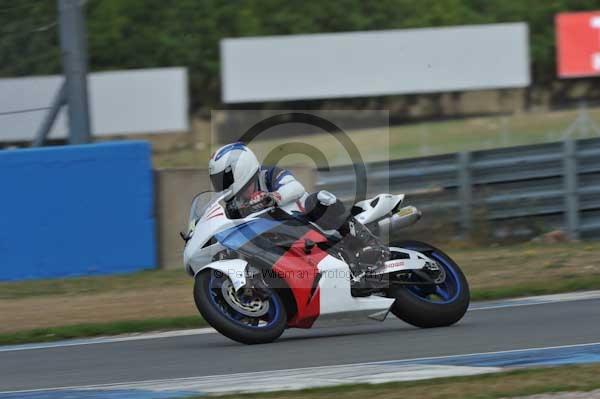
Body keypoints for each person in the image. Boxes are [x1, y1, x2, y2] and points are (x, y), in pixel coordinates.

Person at [208, 142, 389, 273]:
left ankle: (369, 242)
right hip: (285, 243)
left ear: (239, 168)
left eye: (222, 179)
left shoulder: (268, 175)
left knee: (319, 198)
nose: (221, 185)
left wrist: (273, 197)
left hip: (308, 222)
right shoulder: (233, 207)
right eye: (217, 181)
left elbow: (296, 188)